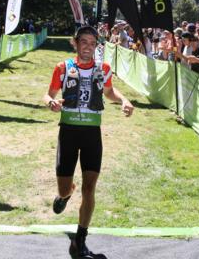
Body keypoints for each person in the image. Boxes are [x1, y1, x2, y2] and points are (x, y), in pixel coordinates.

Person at [43, 26, 134, 259]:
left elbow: (109, 92)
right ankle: (66, 194)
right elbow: (49, 94)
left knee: (89, 187)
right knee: (65, 188)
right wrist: (50, 103)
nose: (88, 47)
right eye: (84, 42)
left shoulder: (103, 69)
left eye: (92, 43)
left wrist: (123, 100)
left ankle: (80, 240)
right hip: (68, 132)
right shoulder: (63, 68)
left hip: (92, 133)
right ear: (76, 43)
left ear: (96, 46)